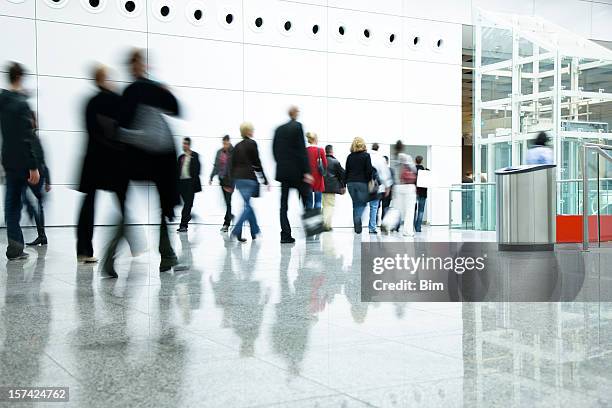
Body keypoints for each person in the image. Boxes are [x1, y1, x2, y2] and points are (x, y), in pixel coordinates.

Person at [103, 49, 181, 276]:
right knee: (137, 209)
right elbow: (125, 128)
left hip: (152, 157)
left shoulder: (144, 89)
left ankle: (167, 256)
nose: (140, 66)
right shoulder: (136, 91)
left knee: (163, 207)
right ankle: (112, 257)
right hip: (146, 157)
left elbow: (174, 108)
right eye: (138, 62)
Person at [77, 65, 128, 263]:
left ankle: (84, 249)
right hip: (112, 160)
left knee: (88, 204)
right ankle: (136, 244)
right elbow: (119, 129)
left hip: (93, 160)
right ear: (105, 79)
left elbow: (91, 131)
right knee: (123, 201)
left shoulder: (90, 102)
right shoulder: (115, 100)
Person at [0, 62, 41, 260]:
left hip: (7, 158)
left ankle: (14, 245)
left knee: (11, 204)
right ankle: (16, 247)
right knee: (18, 202)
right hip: (22, 162)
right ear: (21, 77)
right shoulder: (22, 104)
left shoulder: (3, 100)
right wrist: (33, 166)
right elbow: (27, 137)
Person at [272, 106, 314, 244]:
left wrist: (281, 165)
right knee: (307, 199)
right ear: (295, 114)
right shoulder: (297, 126)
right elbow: (302, 150)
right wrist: (307, 171)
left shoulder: (279, 129)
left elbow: (274, 150)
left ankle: (285, 235)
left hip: (284, 173)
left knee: (283, 205)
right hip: (298, 173)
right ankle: (312, 229)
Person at [230, 122, 268, 243]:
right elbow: (257, 162)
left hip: (238, 180)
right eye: (252, 129)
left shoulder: (236, 146)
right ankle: (237, 230)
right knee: (248, 207)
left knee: (247, 205)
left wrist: (232, 182)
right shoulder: (252, 143)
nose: (253, 131)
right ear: (247, 131)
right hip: (249, 178)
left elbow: (232, 165)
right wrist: (264, 178)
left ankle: (254, 232)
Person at [22, 119, 51, 246]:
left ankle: (42, 235)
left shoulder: (30, 138)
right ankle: (42, 236)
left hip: (35, 174)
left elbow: (39, 160)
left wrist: (47, 180)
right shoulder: (34, 138)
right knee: (37, 204)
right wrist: (48, 181)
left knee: (33, 203)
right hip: (38, 174)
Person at [387, 141, 417, 237]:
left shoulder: (393, 158)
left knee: (396, 209)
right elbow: (414, 170)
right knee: (409, 210)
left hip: (397, 186)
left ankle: (387, 223)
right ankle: (408, 232)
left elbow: (391, 174)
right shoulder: (406, 157)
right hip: (408, 186)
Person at [343, 137, 373, 234]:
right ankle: (357, 220)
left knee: (355, 204)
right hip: (362, 183)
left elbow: (346, 171)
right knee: (362, 203)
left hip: (350, 183)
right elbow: (369, 171)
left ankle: (357, 226)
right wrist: (370, 181)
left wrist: (344, 184)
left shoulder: (350, 156)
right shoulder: (366, 156)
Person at [177, 137, 202, 233]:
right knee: (187, 204)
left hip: (191, 183)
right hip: (182, 183)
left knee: (187, 204)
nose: (184, 145)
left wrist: (193, 182)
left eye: (186, 143)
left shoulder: (194, 155)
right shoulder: (181, 157)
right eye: (183, 143)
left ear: (189, 145)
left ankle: (183, 225)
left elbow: (197, 170)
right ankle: (188, 217)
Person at [210, 135, 234, 232]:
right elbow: (216, 166)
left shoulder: (233, 152)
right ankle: (230, 216)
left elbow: (236, 166)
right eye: (224, 143)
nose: (225, 145)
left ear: (229, 142)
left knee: (228, 201)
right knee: (226, 202)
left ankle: (226, 223)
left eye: (226, 143)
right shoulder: (219, 152)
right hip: (222, 180)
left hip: (231, 180)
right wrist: (211, 176)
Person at [368, 143, 392, 234]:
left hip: (365, 185)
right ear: (378, 148)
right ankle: (372, 227)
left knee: (362, 205)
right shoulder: (380, 158)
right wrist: (387, 187)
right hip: (376, 187)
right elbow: (385, 174)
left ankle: (357, 223)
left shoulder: (366, 156)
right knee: (374, 207)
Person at [322, 145, 345, 231]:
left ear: (325, 151)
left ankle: (327, 224)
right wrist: (343, 186)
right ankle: (326, 225)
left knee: (325, 205)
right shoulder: (335, 162)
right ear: (332, 151)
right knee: (330, 206)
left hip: (322, 187)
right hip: (332, 188)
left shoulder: (321, 161)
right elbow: (341, 175)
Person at [305, 132, 327, 209]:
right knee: (318, 202)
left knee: (308, 202)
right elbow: (325, 164)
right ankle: (316, 219)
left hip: (308, 179)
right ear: (316, 139)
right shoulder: (320, 150)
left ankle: (310, 219)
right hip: (318, 178)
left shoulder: (305, 150)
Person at [414, 155, 428, 233]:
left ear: (415, 161)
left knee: (413, 210)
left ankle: (413, 226)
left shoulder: (413, 170)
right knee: (421, 210)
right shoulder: (425, 171)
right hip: (423, 193)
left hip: (414, 192)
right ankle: (418, 227)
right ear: (422, 161)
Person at [380, 155, 394, 220]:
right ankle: (383, 222)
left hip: (382, 191)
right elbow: (392, 181)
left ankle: (380, 222)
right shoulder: (390, 170)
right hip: (386, 191)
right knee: (385, 207)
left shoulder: (378, 169)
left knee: (378, 208)